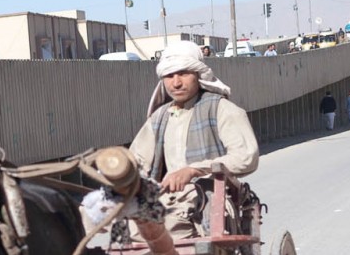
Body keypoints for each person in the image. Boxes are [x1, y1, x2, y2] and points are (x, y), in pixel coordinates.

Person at [81, 40, 260, 243]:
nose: (176, 83)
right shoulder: (160, 117)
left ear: (198, 75)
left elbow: (246, 157)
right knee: (88, 214)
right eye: (169, 76)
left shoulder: (221, 109)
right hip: (163, 198)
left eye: (183, 74)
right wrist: (116, 173)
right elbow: (137, 159)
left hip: (207, 199)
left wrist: (193, 170)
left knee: (161, 228)